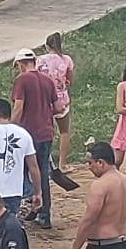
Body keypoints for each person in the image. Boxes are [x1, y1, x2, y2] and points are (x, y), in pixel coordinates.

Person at [11, 48, 59, 229]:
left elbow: (18, 108)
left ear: (21, 64)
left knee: (21, 171)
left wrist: (9, 128)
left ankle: (30, 200)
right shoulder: (48, 80)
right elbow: (59, 106)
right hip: (46, 132)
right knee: (42, 173)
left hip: (27, 134)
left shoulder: (22, 80)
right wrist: (44, 113)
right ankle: (44, 214)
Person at [36, 32, 75, 174]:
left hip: (44, 100)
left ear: (47, 46)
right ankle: (62, 164)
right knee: (64, 131)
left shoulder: (40, 60)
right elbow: (70, 79)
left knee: (46, 132)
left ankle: (46, 163)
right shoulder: (66, 60)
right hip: (62, 99)